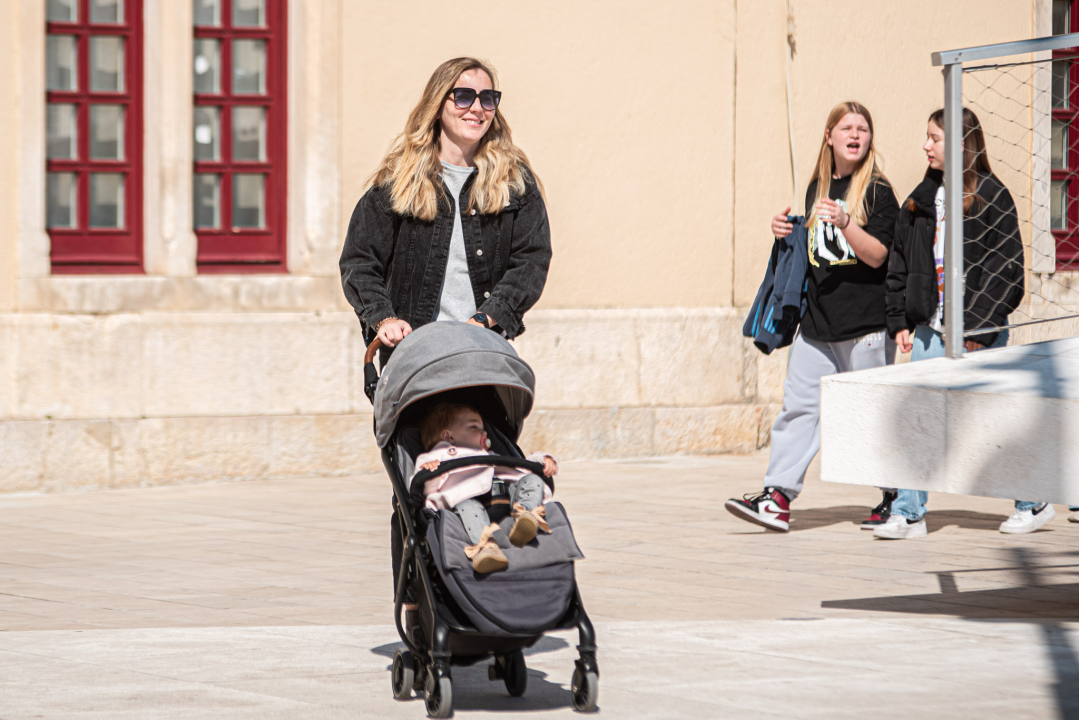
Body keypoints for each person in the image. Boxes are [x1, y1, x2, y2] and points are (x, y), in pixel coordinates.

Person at [338, 57, 551, 592]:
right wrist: (382, 318)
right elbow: (359, 260)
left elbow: (532, 259)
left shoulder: (515, 182)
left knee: (494, 467)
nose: (477, 108)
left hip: (479, 356)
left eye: (488, 98)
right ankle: (420, 599)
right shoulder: (397, 183)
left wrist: (492, 315)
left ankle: (494, 589)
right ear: (439, 104)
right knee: (418, 483)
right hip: (418, 361)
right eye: (464, 96)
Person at [725, 102, 900, 532]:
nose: (855, 135)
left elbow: (878, 256)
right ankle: (777, 498)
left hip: (866, 327)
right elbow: (812, 252)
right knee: (798, 411)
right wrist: (786, 231)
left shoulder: (878, 191)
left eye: (863, 128)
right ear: (829, 136)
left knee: (873, 416)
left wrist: (845, 222)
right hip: (817, 325)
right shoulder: (817, 187)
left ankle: (899, 499)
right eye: (847, 128)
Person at [876, 108, 1041, 539]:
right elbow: (900, 262)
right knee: (917, 418)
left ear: (961, 143)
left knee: (995, 424)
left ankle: (1032, 500)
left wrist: (979, 331)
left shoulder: (992, 195)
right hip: (929, 329)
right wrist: (900, 320)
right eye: (927, 137)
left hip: (977, 334)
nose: (926, 146)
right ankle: (909, 513)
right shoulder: (919, 199)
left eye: (934, 138)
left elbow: (1006, 270)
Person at [412, 403, 557, 573]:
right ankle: (486, 547)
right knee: (468, 506)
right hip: (469, 503)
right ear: (448, 437)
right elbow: (425, 489)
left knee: (532, 479)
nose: (485, 432)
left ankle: (527, 515)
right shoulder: (438, 456)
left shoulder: (490, 455)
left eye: (483, 428)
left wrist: (542, 460)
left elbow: (521, 468)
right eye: (475, 427)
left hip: (506, 498)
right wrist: (431, 471)